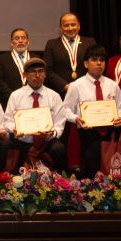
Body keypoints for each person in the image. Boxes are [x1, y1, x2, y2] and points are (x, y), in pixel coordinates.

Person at [63, 45, 121, 178]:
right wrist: (76, 119)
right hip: (89, 131)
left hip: (113, 129)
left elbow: (120, 108)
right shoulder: (76, 86)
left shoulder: (112, 85)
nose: (99, 63)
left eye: (102, 60)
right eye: (94, 60)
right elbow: (65, 110)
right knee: (92, 166)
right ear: (86, 64)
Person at [3, 58, 68, 173]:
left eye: (40, 71)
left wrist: (53, 133)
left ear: (45, 74)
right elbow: (8, 121)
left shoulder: (54, 96)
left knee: (59, 149)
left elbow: (59, 124)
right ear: (25, 75)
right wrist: (15, 129)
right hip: (23, 141)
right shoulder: (15, 96)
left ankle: (61, 182)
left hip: (47, 141)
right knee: (10, 151)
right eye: (33, 71)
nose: (37, 75)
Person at [42, 12, 97, 145]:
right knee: (64, 132)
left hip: (86, 93)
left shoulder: (90, 42)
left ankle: (86, 164)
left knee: (88, 131)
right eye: (66, 25)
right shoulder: (52, 44)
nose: (70, 28)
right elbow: (48, 70)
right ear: (60, 28)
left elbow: (95, 65)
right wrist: (65, 86)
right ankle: (66, 164)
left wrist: (80, 87)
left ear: (78, 26)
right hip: (61, 93)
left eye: (73, 24)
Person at [0, 28, 32, 108]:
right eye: (17, 38)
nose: (20, 41)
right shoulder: (2, 59)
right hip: (10, 102)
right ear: (11, 43)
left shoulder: (36, 58)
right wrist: (14, 97)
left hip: (33, 100)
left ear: (28, 42)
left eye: (23, 38)